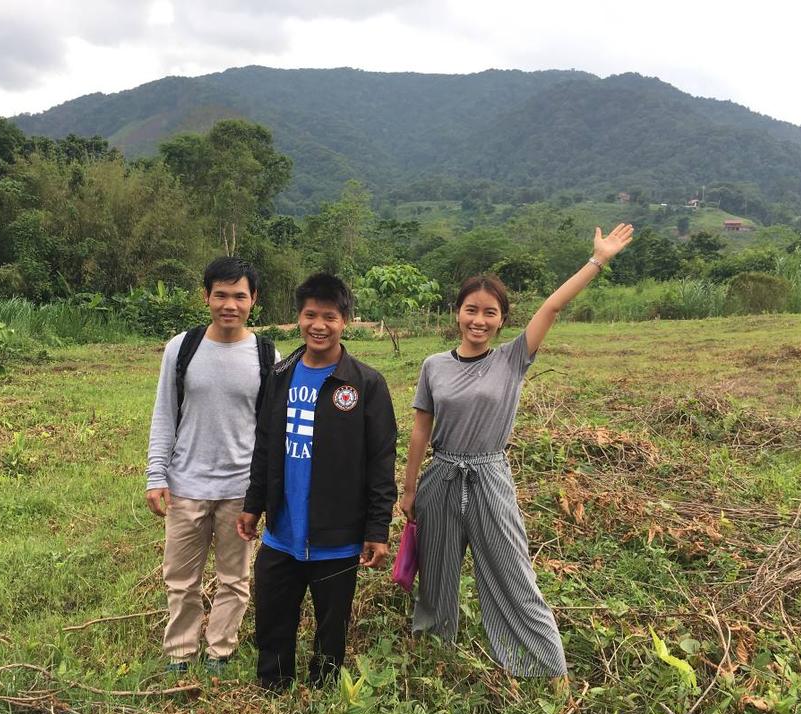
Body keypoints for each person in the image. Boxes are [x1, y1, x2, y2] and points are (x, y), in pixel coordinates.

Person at [400, 223, 634, 677]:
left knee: (513, 573)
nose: (479, 321)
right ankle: (432, 656)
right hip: (441, 476)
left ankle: (543, 665)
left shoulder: (512, 358)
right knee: (438, 573)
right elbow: (419, 431)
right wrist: (408, 490)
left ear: (502, 319)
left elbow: (552, 305)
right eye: (471, 310)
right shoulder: (434, 366)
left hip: (490, 477)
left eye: (490, 313)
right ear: (457, 313)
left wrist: (598, 260)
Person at [237, 273, 398, 690]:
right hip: (281, 534)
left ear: (345, 320)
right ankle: (273, 683)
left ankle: (323, 687)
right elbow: (266, 445)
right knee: (273, 616)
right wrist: (254, 505)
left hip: (338, 537)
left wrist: (377, 529)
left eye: (330, 316)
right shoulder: (280, 376)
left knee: (332, 626)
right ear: (299, 318)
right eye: (310, 315)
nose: (319, 325)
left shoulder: (366, 384)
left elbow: (382, 462)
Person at [145, 257, 279, 673]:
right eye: (220, 294)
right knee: (180, 580)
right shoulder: (181, 348)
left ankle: (221, 650)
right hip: (186, 484)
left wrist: (266, 491)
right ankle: (181, 652)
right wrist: (156, 474)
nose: (229, 304)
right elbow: (165, 414)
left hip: (240, 489)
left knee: (234, 580)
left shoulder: (265, 354)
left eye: (239, 296)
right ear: (206, 297)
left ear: (253, 299)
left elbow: (269, 429)